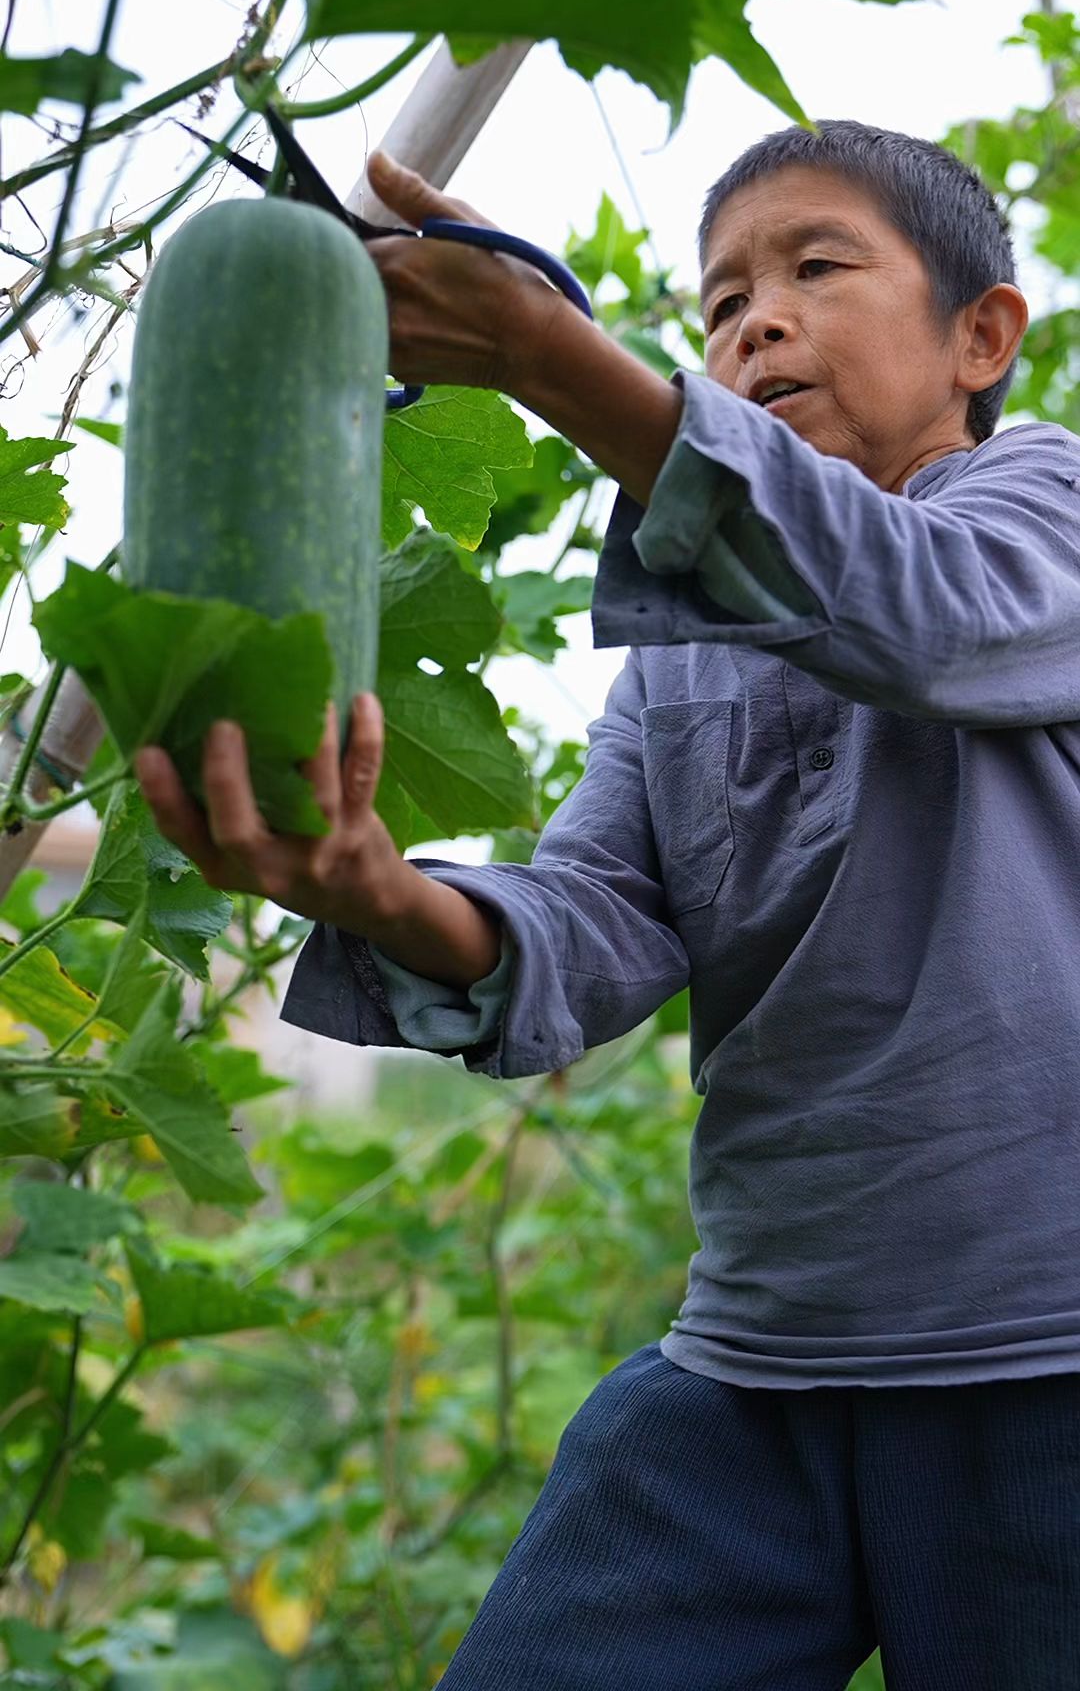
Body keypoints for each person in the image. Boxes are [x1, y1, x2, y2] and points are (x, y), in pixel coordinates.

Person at [134, 118, 1080, 1688]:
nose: (755, 318)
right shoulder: (684, 646)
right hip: (756, 1362)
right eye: (719, 305)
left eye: (814, 267)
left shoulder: (1046, 509)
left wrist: (553, 363)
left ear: (981, 336)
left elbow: (921, 612)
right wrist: (375, 888)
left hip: (1045, 1357)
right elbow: (593, 917)